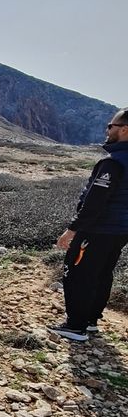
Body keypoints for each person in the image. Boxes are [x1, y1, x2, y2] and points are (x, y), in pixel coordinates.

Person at [49, 107, 128, 341]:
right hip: (121, 231)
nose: (107, 130)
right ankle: (91, 321)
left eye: (111, 126)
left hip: (98, 229)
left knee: (78, 272)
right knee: (102, 272)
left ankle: (75, 326)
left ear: (124, 130)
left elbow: (95, 202)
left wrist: (72, 229)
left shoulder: (113, 163)